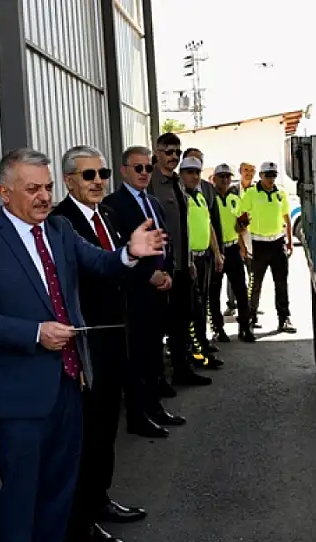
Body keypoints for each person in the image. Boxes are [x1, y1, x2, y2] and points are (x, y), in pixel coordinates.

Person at [0, 147, 164, 542]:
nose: (44, 196)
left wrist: (129, 253)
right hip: (21, 395)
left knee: (57, 487)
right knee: (23, 491)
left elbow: (102, 266)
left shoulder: (62, 232)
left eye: (47, 187)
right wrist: (32, 333)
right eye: (33, 189)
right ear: (5, 193)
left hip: (70, 381)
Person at [51, 145, 147, 542]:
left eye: (102, 174)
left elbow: (118, 265)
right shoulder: (61, 222)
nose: (98, 183)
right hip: (86, 340)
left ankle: (101, 498)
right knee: (87, 434)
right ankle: (81, 520)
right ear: (70, 180)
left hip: (115, 333)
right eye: (88, 176)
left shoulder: (106, 214)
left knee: (107, 425)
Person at [105, 146, 187, 439]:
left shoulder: (153, 202)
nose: (143, 173)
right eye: (137, 168)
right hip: (134, 294)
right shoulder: (112, 205)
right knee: (137, 357)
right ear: (124, 170)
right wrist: (148, 275)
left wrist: (168, 271)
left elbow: (165, 241)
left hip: (159, 290)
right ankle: (138, 417)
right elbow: (115, 251)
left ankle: (154, 407)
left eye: (147, 168)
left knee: (154, 353)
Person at [148, 132, 211, 387]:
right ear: (158, 152)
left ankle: (183, 369)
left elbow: (183, 226)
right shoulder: (151, 182)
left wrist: (189, 263)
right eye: (168, 151)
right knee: (158, 326)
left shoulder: (178, 182)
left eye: (177, 152)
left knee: (182, 322)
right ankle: (158, 380)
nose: (173, 157)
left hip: (183, 265)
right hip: (162, 267)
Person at [240, 161, 297, 334]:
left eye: (273, 175)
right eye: (267, 175)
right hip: (258, 243)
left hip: (277, 242)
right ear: (261, 176)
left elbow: (286, 217)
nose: (271, 179)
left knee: (281, 283)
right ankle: (250, 318)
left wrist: (289, 240)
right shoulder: (251, 194)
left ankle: (284, 318)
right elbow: (241, 219)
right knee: (255, 284)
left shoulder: (281, 193)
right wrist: (243, 244)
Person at [180, 156, 227, 358]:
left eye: (197, 172)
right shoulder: (181, 198)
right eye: (189, 172)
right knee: (190, 307)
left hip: (204, 258)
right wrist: (188, 259)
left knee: (202, 304)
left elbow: (208, 226)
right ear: (181, 174)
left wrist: (217, 253)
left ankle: (202, 344)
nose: (194, 176)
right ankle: (194, 350)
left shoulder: (200, 196)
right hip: (189, 260)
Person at [210, 163, 256, 342]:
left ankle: (245, 326)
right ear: (214, 179)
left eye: (228, 177)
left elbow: (239, 227)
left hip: (232, 248)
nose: (225, 180)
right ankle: (218, 328)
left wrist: (243, 225)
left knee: (241, 290)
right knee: (214, 292)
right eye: (221, 177)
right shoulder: (210, 198)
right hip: (215, 249)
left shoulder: (235, 199)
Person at [227, 161, 259, 322]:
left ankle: (251, 307)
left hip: (253, 237)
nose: (248, 173)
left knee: (253, 274)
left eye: (252, 171)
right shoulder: (232, 191)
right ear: (240, 171)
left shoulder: (257, 190)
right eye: (246, 170)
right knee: (235, 274)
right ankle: (232, 304)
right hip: (236, 236)